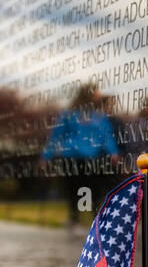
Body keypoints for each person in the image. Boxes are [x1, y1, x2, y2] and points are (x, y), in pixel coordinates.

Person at [42, 82, 121, 233]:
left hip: (92, 159)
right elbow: (56, 136)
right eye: (96, 93)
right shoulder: (69, 115)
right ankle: (74, 219)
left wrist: (113, 153)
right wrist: (46, 156)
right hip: (71, 158)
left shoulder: (99, 117)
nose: (99, 96)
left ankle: (95, 222)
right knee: (73, 188)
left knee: (94, 190)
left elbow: (107, 136)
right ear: (88, 95)